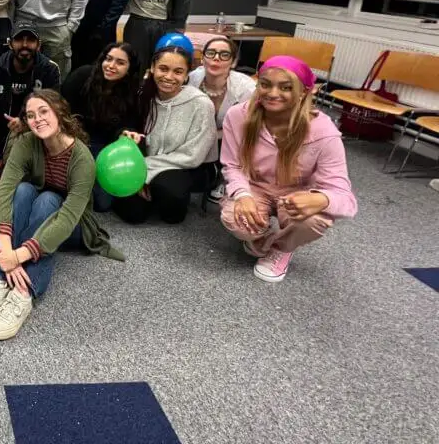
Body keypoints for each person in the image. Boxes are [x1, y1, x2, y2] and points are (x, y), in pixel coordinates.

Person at [0, 90, 122, 341]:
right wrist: (6, 250)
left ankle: (23, 290)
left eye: (43, 112)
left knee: (49, 200)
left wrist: (17, 256)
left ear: (60, 113)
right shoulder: (27, 142)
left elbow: (68, 217)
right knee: (24, 189)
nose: (37, 119)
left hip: (73, 226)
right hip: (35, 213)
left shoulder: (82, 158)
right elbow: (5, 192)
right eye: (30, 115)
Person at [220, 56, 357, 283]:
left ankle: (281, 248)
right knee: (235, 218)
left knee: (314, 220)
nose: (273, 93)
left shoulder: (323, 131)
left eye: (285, 87)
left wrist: (322, 199)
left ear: (304, 92)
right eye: (265, 84)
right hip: (256, 187)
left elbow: (345, 196)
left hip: (297, 193)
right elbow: (232, 165)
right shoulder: (238, 116)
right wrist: (242, 195)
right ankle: (266, 240)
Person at [112, 43, 216, 225]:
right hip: (147, 160)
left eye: (178, 71)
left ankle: (157, 192)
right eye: (163, 69)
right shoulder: (145, 96)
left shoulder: (201, 104)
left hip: (183, 166)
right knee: (132, 214)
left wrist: (144, 170)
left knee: (171, 209)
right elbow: (128, 128)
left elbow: (193, 156)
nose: (169, 77)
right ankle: (148, 193)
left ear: (186, 76)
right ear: (152, 68)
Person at [61, 41, 144, 210]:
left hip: (104, 146)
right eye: (108, 59)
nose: (111, 66)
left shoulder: (132, 92)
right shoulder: (82, 76)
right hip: (72, 137)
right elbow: (60, 109)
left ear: (130, 69)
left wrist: (125, 134)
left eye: (120, 63)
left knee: (102, 204)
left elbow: (128, 125)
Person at [0, 24, 61, 175]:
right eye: (19, 40)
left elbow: (53, 110)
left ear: (38, 45)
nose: (25, 45)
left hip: (35, 132)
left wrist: (25, 122)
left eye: (30, 40)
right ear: (10, 43)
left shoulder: (49, 69)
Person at [188, 36, 257, 203]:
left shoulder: (246, 89)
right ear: (203, 58)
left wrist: (209, 136)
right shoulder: (191, 79)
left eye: (224, 54)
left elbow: (245, 128)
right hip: (201, 132)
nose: (216, 58)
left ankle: (226, 180)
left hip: (235, 136)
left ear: (233, 63)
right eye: (211, 53)